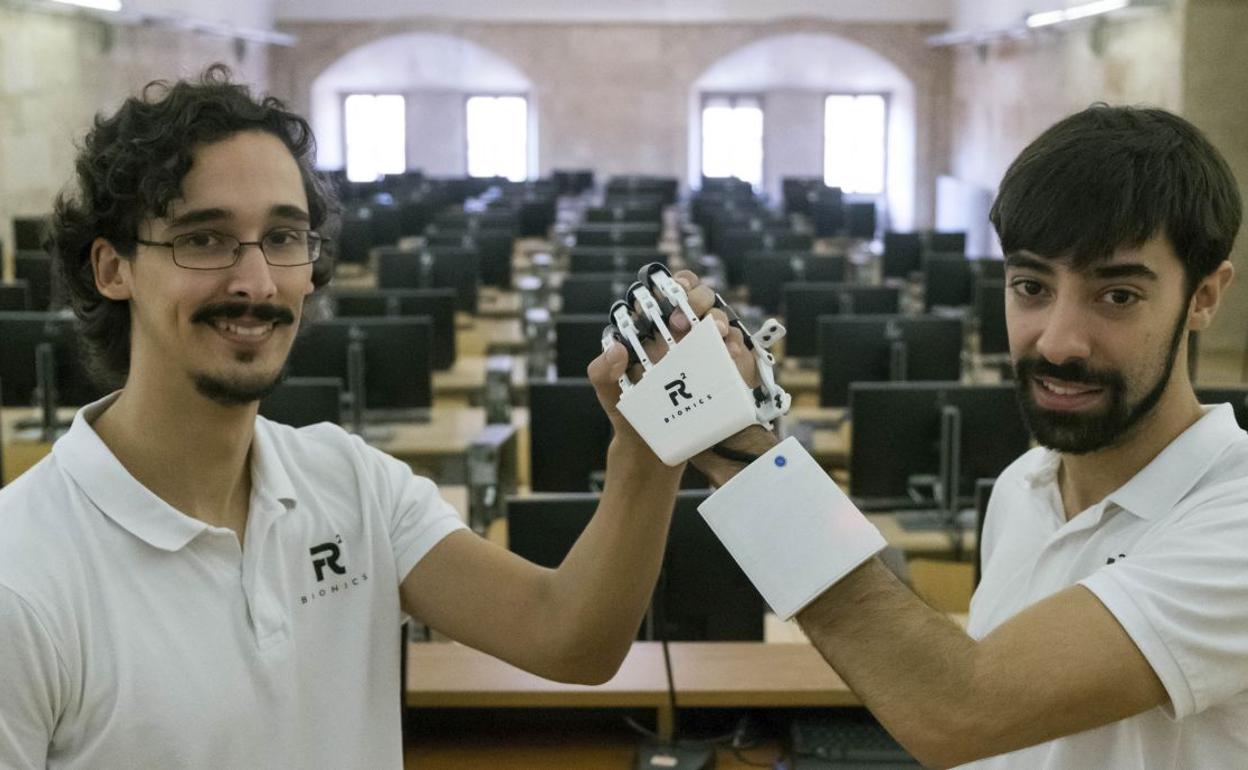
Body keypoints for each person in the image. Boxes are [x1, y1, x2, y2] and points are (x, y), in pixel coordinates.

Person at [0, 65, 733, 768]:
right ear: (111, 267)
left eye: (284, 238)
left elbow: (572, 638)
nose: (256, 281)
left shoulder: (350, 483)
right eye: (204, 238)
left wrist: (647, 447)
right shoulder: (22, 576)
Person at [684, 105, 1247, 768]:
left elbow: (960, 709)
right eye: (1031, 286)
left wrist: (747, 461)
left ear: (1205, 297)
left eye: (1117, 295)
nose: (1059, 341)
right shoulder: (1023, 486)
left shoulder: (1234, 523)